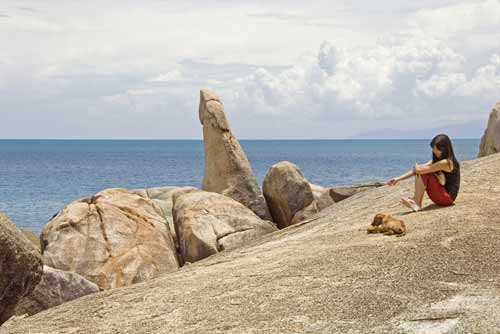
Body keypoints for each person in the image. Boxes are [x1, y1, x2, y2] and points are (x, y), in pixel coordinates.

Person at [387, 134, 461, 212]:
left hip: (447, 198)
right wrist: (398, 179)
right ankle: (416, 201)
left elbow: (420, 170)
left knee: (425, 173)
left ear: (445, 149)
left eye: (437, 149)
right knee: (424, 171)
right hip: (441, 196)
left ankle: (416, 203)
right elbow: (417, 170)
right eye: (433, 149)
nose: (434, 152)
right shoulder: (437, 161)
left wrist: (418, 167)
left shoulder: (446, 162)